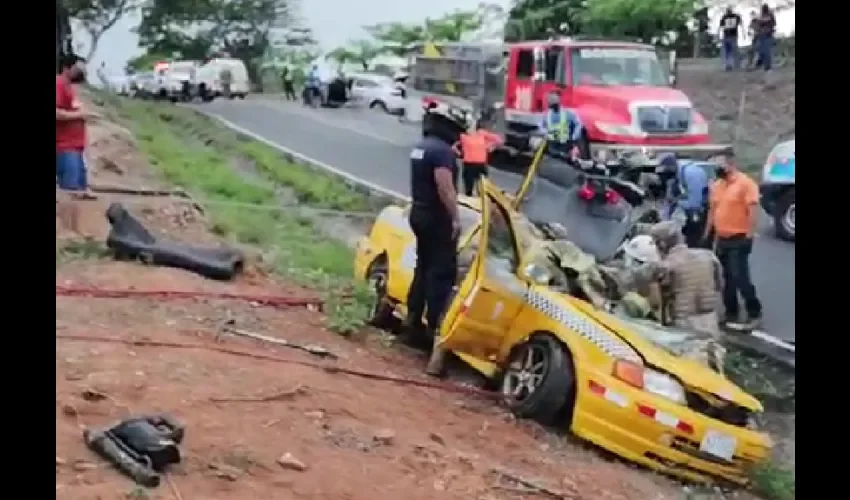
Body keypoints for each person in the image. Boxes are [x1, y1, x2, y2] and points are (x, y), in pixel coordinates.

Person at [404, 104, 466, 376]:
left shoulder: (421, 147)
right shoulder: (441, 152)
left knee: (422, 268)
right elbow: (445, 187)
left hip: (418, 213)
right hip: (437, 219)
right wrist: (455, 218)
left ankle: (412, 321)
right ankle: (434, 333)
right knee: (440, 274)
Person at [645, 221, 726, 371]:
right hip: (710, 320)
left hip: (683, 327)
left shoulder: (665, 267)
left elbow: (655, 303)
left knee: (689, 371)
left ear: (661, 244)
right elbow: (720, 285)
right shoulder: (708, 256)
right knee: (714, 364)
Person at [703, 153, 763, 329]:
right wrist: (707, 235)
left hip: (739, 238)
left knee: (740, 277)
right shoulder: (717, 185)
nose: (716, 169)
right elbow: (712, 212)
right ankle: (731, 312)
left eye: (719, 165)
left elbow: (753, 211)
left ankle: (754, 312)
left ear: (730, 164)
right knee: (725, 278)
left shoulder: (745, 184)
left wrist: (750, 235)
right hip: (722, 238)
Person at [56, 53, 99, 233]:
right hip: (65, 147)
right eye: (78, 67)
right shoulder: (58, 84)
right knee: (70, 194)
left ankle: (79, 233)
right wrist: (81, 115)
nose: (81, 71)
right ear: (68, 67)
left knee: (81, 192)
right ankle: (67, 234)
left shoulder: (68, 87)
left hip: (75, 147)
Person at [657, 153, 712, 248]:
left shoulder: (691, 174)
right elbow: (670, 197)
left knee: (694, 244)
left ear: (672, 167)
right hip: (689, 212)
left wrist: (676, 202)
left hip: (699, 213)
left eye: (666, 171)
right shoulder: (677, 173)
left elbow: (695, 202)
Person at [452, 120, 502, 196]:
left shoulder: (481, 133)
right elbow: (453, 146)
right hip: (469, 164)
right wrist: (461, 154)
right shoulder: (463, 136)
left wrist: (490, 147)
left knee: (483, 190)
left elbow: (498, 140)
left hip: (480, 164)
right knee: (469, 189)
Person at [538, 92, 584, 159]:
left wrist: (574, 137)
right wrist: (545, 132)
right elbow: (541, 125)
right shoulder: (547, 114)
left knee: (563, 159)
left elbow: (579, 124)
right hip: (553, 144)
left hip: (565, 144)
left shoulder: (568, 113)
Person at [718, 6, 743, 71]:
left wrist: (718, 35)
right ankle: (734, 65)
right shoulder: (736, 16)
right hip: (732, 35)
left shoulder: (724, 17)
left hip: (727, 35)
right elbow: (741, 23)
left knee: (728, 51)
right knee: (733, 50)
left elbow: (720, 26)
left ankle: (729, 65)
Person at [754, 4, 776, 72]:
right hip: (762, 35)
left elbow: (773, 24)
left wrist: (768, 28)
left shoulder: (770, 15)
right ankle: (760, 63)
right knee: (762, 51)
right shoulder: (760, 16)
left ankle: (767, 67)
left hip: (767, 35)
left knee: (766, 52)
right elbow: (757, 26)